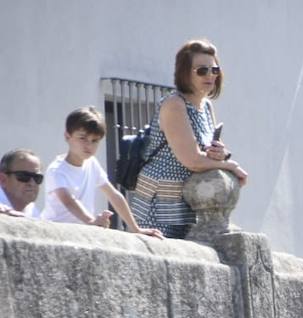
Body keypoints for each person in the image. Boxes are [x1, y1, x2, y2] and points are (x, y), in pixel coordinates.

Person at [129, 39, 248, 239]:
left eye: (214, 70)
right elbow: (191, 159)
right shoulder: (174, 104)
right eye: (202, 70)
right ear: (185, 72)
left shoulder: (206, 106)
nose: (210, 75)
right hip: (160, 201)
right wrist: (232, 167)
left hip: (188, 202)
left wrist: (220, 155)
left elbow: (202, 153)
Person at [39, 108, 161, 237]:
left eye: (94, 140)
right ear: (67, 136)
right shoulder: (56, 170)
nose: (89, 145)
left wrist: (136, 229)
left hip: (81, 234)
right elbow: (68, 200)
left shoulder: (92, 163)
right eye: (82, 138)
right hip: (54, 233)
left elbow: (113, 195)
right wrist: (91, 221)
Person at [1, 148, 42, 217]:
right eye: (24, 176)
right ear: (3, 180)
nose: (32, 183)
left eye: (37, 177)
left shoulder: (33, 211)